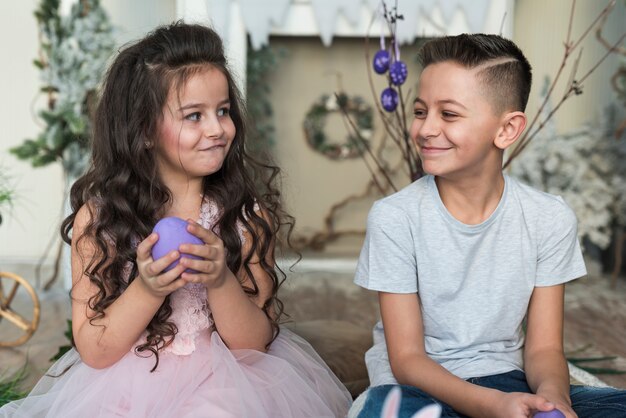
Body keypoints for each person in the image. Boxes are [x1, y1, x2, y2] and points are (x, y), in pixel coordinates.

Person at [0, 22, 351, 418]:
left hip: (227, 384)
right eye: (194, 116)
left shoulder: (244, 216)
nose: (218, 128)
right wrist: (148, 287)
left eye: (223, 111)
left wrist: (220, 280)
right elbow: (96, 351)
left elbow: (253, 348)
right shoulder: (101, 221)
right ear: (145, 130)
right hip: (128, 386)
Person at [353, 33, 626, 418]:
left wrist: (552, 404)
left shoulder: (549, 218)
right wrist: (493, 406)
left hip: (509, 379)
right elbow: (408, 358)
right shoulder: (394, 217)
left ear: (507, 130)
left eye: (448, 114)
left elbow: (545, 349)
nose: (426, 129)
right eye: (420, 111)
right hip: (416, 389)